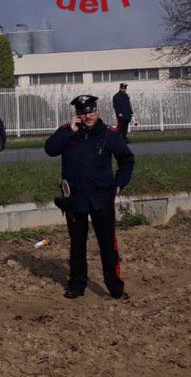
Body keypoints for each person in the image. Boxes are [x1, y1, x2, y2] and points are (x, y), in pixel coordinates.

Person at [44, 94, 135, 300]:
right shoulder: (68, 133)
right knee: (77, 244)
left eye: (91, 111)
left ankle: (115, 287)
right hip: (75, 198)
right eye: (84, 113)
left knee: (108, 245)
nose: (88, 116)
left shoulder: (109, 134)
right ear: (78, 115)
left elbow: (126, 160)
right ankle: (77, 285)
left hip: (101, 197)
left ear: (98, 111)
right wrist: (69, 131)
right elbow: (50, 149)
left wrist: (119, 184)